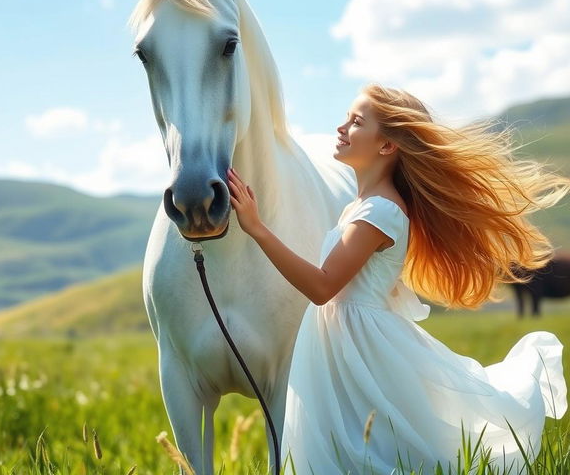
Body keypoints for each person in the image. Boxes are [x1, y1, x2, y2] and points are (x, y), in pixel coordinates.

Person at [225, 82, 569, 475]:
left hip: (362, 347)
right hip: (346, 342)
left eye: (356, 122)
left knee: (381, 454)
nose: (341, 128)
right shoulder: (365, 207)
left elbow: (322, 287)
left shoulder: (380, 212)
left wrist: (258, 229)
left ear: (387, 146)